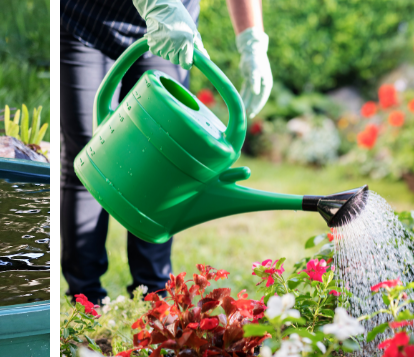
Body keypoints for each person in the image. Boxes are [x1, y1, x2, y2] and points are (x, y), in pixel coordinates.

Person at [61, 0, 272, 304]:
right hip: (88, 20)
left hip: (174, 26)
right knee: (90, 155)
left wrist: (252, 41)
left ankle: (154, 293)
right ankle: (85, 299)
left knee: (165, 161)